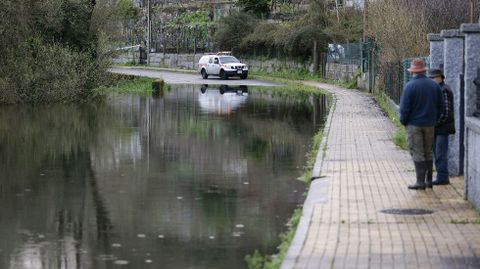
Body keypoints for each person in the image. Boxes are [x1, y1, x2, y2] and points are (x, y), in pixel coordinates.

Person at [400, 58, 443, 190]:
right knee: (428, 151)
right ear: (424, 71)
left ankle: (420, 181)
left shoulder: (409, 86)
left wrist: (404, 121)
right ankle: (429, 181)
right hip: (430, 124)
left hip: (414, 125)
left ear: (412, 71)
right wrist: (434, 119)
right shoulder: (434, 86)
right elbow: (440, 107)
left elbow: (404, 109)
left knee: (417, 151)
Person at [428, 69, 455, 185]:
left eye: (433, 78)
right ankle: (441, 176)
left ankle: (443, 178)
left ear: (440, 78)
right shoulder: (438, 89)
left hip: (442, 128)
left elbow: (446, 112)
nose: (432, 80)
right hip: (437, 127)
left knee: (440, 154)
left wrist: (435, 123)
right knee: (436, 153)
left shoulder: (444, 90)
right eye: (431, 78)